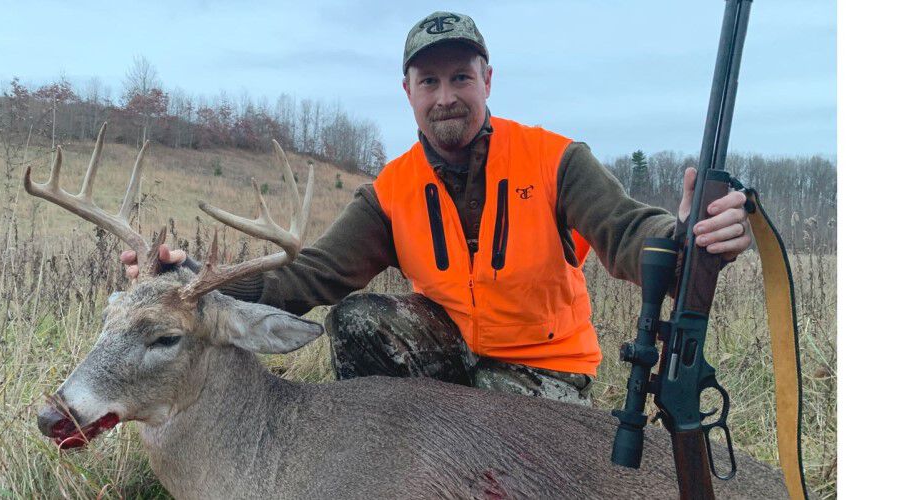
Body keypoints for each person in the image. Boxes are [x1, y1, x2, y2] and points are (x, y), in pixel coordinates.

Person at [122, 11, 751, 407]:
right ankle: (392, 462)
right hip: (449, 357)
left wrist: (689, 238)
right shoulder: (393, 189)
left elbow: (627, 232)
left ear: (487, 80)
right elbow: (306, 277)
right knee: (359, 319)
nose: (445, 97)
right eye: (429, 82)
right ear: (408, 92)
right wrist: (186, 283)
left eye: (460, 78)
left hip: (543, 372)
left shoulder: (556, 160)